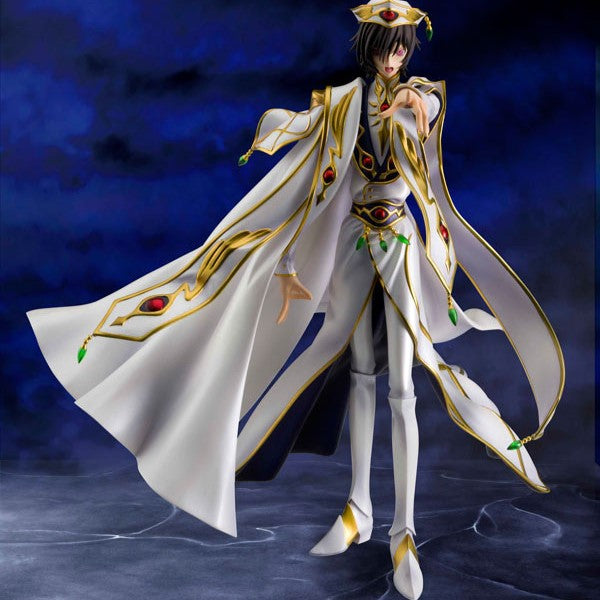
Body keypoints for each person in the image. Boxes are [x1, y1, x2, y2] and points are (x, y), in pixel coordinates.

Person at [26, 2, 565, 598]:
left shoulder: (419, 98)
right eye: (386, 45)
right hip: (356, 245)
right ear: (368, 46)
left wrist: (416, 101)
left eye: (403, 47)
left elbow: (428, 110)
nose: (395, 56)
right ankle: (358, 509)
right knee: (359, 374)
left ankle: (404, 532)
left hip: (400, 247)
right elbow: (303, 184)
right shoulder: (340, 105)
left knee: (405, 386)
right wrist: (284, 260)